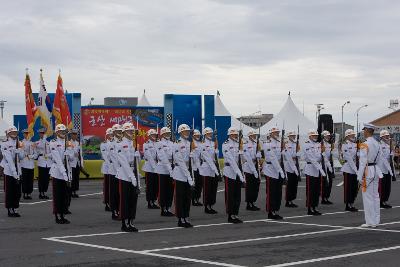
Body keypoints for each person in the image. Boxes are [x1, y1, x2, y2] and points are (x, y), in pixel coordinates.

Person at [114, 122, 140, 232]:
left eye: (132, 131)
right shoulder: (120, 144)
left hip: (133, 172)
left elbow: (136, 163)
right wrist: (132, 177)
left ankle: (131, 221)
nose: (131, 132)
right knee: (125, 200)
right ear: (124, 132)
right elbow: (124, 163)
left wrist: (138, 155)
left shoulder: (133, 144)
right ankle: (124, 223)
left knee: (133, 199)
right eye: (129, 131)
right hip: (125, 175)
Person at [357, 123, 382, 228]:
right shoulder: (377, 143)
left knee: (368, 197)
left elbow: (362, 162)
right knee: (375, 196)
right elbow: (380, 159)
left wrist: (359, 176)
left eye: (364, 130)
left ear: (367, 131)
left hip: (368, 171)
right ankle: (376, 220)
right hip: (376, 170)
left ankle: (370, 222)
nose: (363, 132)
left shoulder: (364, 144)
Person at [49, 124, 74, 224]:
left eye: (64, 131)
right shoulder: (53, 143)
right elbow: (58, 160)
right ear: (56, 132)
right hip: (58, 172)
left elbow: (72, 158)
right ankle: (57, 215)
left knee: (64, 195)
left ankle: (63, 214)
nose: (62, 133)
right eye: (60, 131)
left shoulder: (67, 142)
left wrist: (69, 151)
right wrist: (65, 175)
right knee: (57, 195)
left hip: (66, 171)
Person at [172, 124, 195, 228]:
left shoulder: (189, 143)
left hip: (187, 171)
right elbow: (180, 161)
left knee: (187, 197)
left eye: (188, 131)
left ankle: (186, 217)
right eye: (185, 131)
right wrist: (189, 177)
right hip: (180, 173)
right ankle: (180, 219)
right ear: (180, 132)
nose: (187, 133)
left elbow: (190, 161)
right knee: (180, 197)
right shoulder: (177, 143)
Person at [222, 127, 245, 224]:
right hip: (230, 172)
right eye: (233, 134)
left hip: (238, 171)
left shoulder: (238, 144)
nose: (234, 135)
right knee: (230, 195)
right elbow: (231, 160)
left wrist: (242, 153)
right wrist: (240, 174)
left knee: (237, 195)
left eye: (235, 134)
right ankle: (230, 215)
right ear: (229, 135)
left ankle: (235, 213)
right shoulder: (225, 144)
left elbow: (241, 160)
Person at [262, 127, 285, 220]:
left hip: (278, 169)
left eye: (277, 132)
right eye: (275, 132)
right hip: (271, 170)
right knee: (271, 192)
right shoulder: (267, 144)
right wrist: (280, 170)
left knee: (278, 192)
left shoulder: (280, 143)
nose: (277, 134)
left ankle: (276, 210)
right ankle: (270, 212)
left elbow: (282, 156)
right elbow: (272, 158)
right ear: (270, 134)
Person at [1, 126, 23, 217]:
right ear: (9, 133)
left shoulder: (19, 143)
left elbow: (21, 157)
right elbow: (9, 159)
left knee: (17, 192)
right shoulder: (4, 143)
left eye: (15, 132)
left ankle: (15, 208)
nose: (14, 133)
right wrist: (14, 173)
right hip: (9, 171)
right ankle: (10, 209)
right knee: (10, 192)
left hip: (18, 170)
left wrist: (19, 151)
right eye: (12, 132)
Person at [303, 129, 326, 216]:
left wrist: (322, 154)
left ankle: (315, 207)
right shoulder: (306, 145)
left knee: (317, 190)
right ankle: (310, 208)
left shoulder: (318, 144)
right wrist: (321, 169)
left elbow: (319, 157)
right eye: (313, 135)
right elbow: (312, 158)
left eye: (316, 135)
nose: (315, 137)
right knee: (310, 190)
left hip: (317, 169)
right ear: (309, 136)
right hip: (310, 169)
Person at [155, 127, 175, 217]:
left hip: (171, 167)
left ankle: (168, 207)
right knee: (163, 189)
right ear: (162, 134)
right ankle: (163, 208)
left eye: (169, 133)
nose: (168, 134)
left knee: (170, 189)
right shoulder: (159, 143)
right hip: (163, 169)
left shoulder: (172, 143)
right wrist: (169, 168)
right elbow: (162, 157)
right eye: (166, 133)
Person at [199, 127, 220, 214]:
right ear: (204, 134)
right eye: (208, 134)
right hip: (207, 167)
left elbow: (216, 156)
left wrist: (216, 150)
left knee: (213, 187)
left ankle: (211, 204)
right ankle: (207, 206)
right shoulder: (202, 144)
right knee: (207, 188)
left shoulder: (213, 143)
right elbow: (205, 157)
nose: (210, 135)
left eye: (211, 133)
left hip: (213, 167)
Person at [341, 129, 359, 212]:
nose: (353, 136)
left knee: (354, 187)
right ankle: (348, 204)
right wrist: (356, 170)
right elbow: (349, 159)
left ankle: (352, 203)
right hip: (348, 168)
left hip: (355, 168)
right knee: (348, 188)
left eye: (353, 134)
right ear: (347, 136)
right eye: (351, 135)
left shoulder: (356, 144)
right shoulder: (345, 145)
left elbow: (358, 155)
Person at [243, 130, 261, 211]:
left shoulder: (257, 144)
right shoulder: (246, 144)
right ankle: (249, 203)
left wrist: (259, 155)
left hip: (256, 165)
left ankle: (253, 202)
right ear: (249, 136)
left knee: (255, 186)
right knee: (250, 187)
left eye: (255, 135)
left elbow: (259, 154)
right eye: (253, 135)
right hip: (249, 167)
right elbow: (247, 157)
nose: (255, 136)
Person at [143, 129, 160, 209]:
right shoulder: (146, 144)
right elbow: (149, 157)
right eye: (152, 135)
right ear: (149, 136)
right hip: (150, 167)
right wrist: (154, 167)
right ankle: (150, 202)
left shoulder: (157, 144)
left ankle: (154, 200)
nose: (154, 136)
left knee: (156, 185)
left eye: (155, 135)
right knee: (150, 186)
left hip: (157, 166)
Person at [283, 131, 300, 208]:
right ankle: (288, 200)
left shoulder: (296, 144)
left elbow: (299, 153)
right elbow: (287, 155)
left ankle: (292, 199)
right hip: (289, 166)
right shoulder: (286, 143)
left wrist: (297, 155)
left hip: (295, 164)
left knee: (294, 184)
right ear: (289, 136)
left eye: (294, 135)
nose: (293, 137)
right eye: (292, 135)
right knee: (289, 184)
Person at [109, 124, 122, 220]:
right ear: (113, 132)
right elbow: (115, 159)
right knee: (114, 193)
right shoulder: (111, 144)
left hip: (121, 172)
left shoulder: (121, 142)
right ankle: (114, 211)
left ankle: (119, 210)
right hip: (114, 171)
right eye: (117, 131)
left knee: (120, 193)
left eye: (120, 131)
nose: (119, 132)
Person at [378, 130, 393, 209]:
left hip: (388, 169)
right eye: (385, 136)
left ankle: (385, 200)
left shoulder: (388, 145)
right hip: (382, 169)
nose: (387, 137)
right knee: (382, 186)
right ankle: (381, 201)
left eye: (388, 135)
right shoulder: (379, 145)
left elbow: (391, 157)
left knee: (388, 186)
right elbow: (382, 158)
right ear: (381, 137)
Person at [320, 130, 336, 205]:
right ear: (323, 136)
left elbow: (332, 154)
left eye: (329, 136)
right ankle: (323, 198)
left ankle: (327, 197)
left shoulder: (330, 144)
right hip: (324, 165)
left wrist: (333, 150)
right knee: (325, 182)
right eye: (326, 136)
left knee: (330, 182)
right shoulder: (321, 144)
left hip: (330, 163)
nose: (328, 137)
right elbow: (322, 155)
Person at [35, 128, 52, 199]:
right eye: (41, 133)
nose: (42, 134)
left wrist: (48, 155)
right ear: (39, 134)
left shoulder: (49, 143)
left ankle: (44, 192)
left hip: (48, 162)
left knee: (46, 179)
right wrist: (44, 138)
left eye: (43, 133)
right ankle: (41, 192)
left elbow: (52, 152)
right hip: (41, 161)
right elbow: (41, 146)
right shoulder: (37, 142)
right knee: (41, 178)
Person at [100, 128, 114, 211]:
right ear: (107, 135)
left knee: (113, 187)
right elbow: (105, 156)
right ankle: (107, 202)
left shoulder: (115, 143)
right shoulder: (104, 144)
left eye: (112, 134)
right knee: (107, 186)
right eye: (110, 134)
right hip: (107, 167)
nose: (111, 135)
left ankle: (112, 202)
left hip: (114, 167)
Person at [20, 129, 36, 200]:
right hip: (24, 163)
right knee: (24, 180)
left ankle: (29, 193)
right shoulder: (21, 143)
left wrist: (31, 156)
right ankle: (25, 193)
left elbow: (35, 154)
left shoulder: (33, 143)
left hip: (31, 164)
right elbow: (21, 154)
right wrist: (25, 154)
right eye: (25, 133)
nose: (26, 134)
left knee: (30, 180)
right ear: (23, 134)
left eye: (27, 133)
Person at [191, 129, 203, 206]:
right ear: (193, 136)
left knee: (200, 184)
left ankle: (197, 198)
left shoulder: (201, 143)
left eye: (198, 135)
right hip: (194, 167)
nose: (198, 136)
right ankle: (193, 199)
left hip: (200, 167)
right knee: (194, 184)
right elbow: (193, 156)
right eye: (196, 135)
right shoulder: (191, 143)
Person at [69, 129, 81, 198]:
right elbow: (69, 152)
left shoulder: (77, 143)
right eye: (73, 134)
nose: (74, 135)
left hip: (77, 162)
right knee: (72, 178)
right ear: (71, 135)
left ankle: (75, 191)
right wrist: (74, 154)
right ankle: (70, 191)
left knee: (76, 178)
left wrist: (81, 162)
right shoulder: (69, 143)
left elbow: (80, 153)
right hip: (71, 163)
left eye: (75, 134)